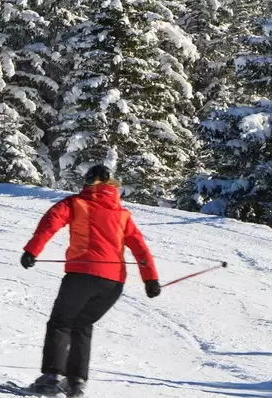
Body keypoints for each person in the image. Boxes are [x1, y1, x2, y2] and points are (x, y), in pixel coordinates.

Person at [17, 164, 161, 396]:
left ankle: (51, 378)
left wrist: (32, 251)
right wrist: (150, 279)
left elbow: (50, 222)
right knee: (82, 325)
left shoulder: (76, 202)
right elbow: (140, 248)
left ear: (88, 182)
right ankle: (75, 383)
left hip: (82, 276)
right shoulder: (122, 214)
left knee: (61, 323)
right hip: (113, 284)